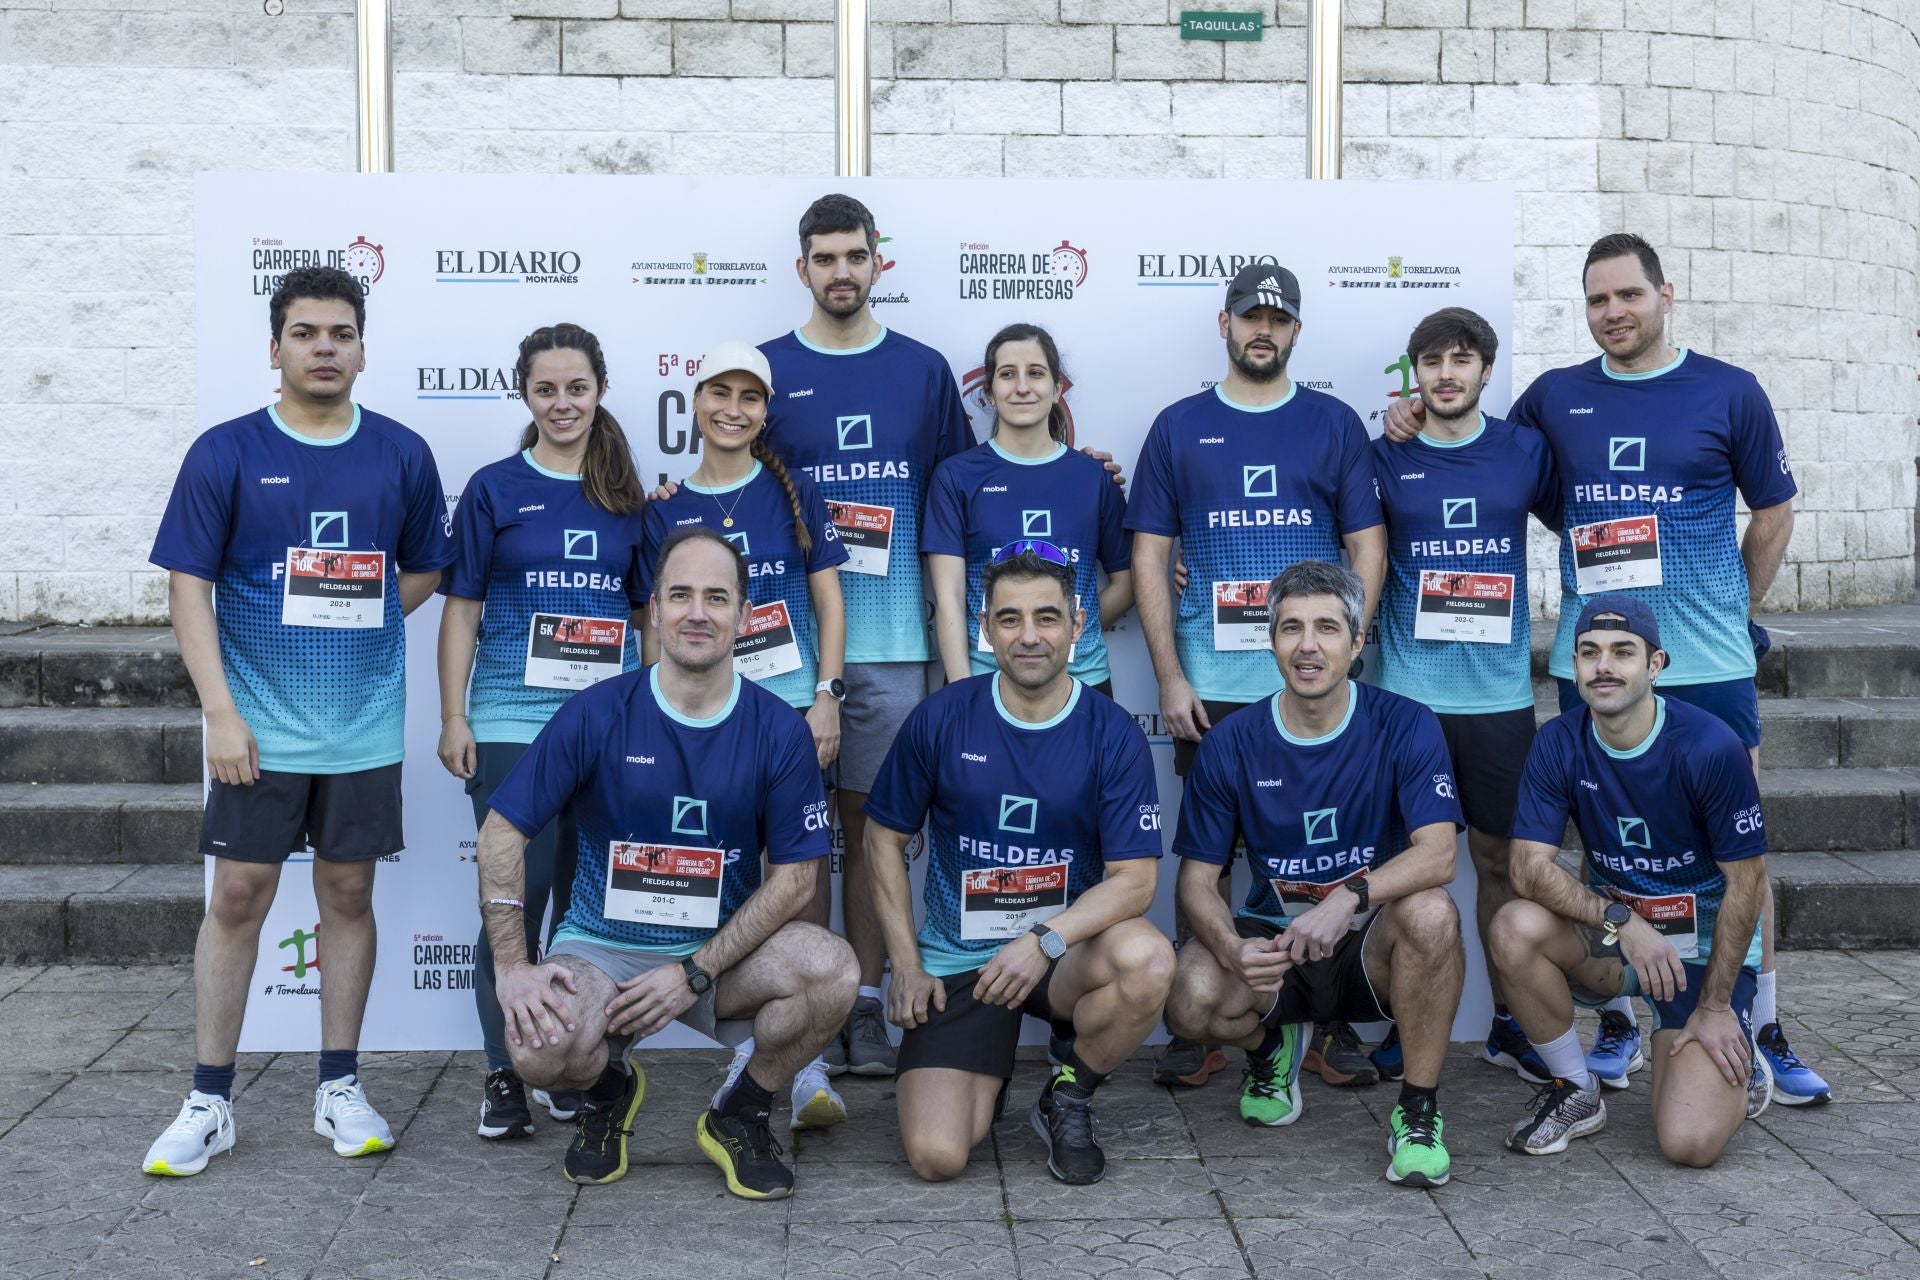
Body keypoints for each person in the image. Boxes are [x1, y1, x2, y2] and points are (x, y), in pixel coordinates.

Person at [1382, 234, 1825, 1104]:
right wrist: (1405, 419)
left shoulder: (1729, 390)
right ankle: (1619, 1017)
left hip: (1706, 664)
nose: (1613, 313)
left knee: (1741, 849)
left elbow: (1773, 511)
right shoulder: (1556, 400)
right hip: (1600, 662)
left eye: (1628, 295)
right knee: (1606, 842)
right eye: (1596, 300)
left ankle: (1761, 1020)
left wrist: (1731, 613)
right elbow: (1494, 466)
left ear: (1666, 293)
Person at [142, 266, 453, 1176]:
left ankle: (338, 1086)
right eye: (308, 332)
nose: (326, 347)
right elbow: (187, 587)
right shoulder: (225, 451)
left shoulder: (401, 451)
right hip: (257, 728)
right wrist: (220, 714)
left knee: (348, 897)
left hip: (360, 723)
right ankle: (208, 1099)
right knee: (238, 897)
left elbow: (429, 566)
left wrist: (359, 610)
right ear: (274, 347)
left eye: (341, 332)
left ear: (362, 346)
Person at [475, 528, 857, 1200]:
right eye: (680, 595)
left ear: (744, 616)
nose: (697, 612)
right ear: (654, 610)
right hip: (601, 951)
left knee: (834, 972)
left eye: (717, 597)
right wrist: (511, 968)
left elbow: (797, 876)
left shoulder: (778, 730)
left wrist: (695, 971)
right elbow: (502, 833)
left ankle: (741, 1110)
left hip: (719, 957)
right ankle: (607, 1090)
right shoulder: (597, 712)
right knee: (535, 1049)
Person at [1127, 262, 1386, 1089]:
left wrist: (1345, 646)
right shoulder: (1178, 427)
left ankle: (1331, 1019)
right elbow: (1149, 555)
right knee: (1212, 856)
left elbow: (1367, 548)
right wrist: (1169, 676)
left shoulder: (1334, 423)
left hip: (1313, 685)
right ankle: (1209, 1020)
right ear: (1225, 324)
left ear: (1296, 332)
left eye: (1277, 318)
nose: (1262, 329)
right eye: (1249, 317)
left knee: (1328, 848)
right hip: (1213, 685)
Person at [863, 545, 1171, 1185]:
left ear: (1077, 624)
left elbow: (1137, 883)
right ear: (984, 627)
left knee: (1147, 960)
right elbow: (881, 839)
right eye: (1009, 619)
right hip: (961, 962)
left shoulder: (1111, 732)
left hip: (1057, 957)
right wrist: (908, 965)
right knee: (938, 1157)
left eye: (1046, 617)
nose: (1028, 636)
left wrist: (1043, 939)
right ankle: (986, 1067)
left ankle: (1069, 1094)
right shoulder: (943, 717)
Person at [751, 192, 973, 1077]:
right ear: (800, 267)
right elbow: (733, 479)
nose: (841, 271)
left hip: (892, 647)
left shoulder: (922, 370)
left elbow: (960, 500)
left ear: (879, 261)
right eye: (824, 257)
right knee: (799, 837)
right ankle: (812, 1002)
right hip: (784, 652)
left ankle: (870, 1005)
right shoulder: (765, 371)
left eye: (855, 255)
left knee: (872, 825)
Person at [1162, 560, 1465, 1189]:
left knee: (1434, 910)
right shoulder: (1232, 741)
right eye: (1290, 628)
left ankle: (1417, 1109)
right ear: (1270, 641)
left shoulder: (1406, 722)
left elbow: (1438, 855)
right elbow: (1197, 881)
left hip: (1364, 941)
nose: (1307, 645)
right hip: (1277, 945)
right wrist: (1231, 947)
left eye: (1327, 628)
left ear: (1357, 643)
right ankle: (1271, 1050)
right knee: (1187, 998)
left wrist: (1347, 898)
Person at [437, 322, 650, 1141]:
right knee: (513, 903)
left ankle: (562, 1060)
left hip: (604, 730)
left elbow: (646, 624)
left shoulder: (629, 499)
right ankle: (502, 1073)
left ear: (600, 389)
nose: (563, 403)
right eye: (546, 389)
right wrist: (456, 715)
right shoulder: (494, 487)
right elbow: (461, 612)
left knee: (584, 911)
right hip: (509, 725)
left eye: (577, 388)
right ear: (524, 394)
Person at [641, 341, 850, 1128]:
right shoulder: (663, 508)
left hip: (791, 709)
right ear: (693, 403)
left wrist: (827, 697)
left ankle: (807, 1050)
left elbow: (830, 606)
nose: (733, 409)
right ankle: (746, 1037)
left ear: (766, 412)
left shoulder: (796, 495)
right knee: (726, 866)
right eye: (718, 394)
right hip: (700, 716)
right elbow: (649, 625)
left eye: (749, 398)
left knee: (800, 867)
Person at [1492, 596, 1771, 1166]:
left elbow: (1748, 885)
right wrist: (1622, 919)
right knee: (1513, 925)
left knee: (1688, 1144)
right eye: (1590, 653)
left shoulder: (1710, 745)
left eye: (1623, 652)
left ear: (1656, 665)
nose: (1604, 667)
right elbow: (1527, 868)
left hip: (1700, 950)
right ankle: (1576, 1088)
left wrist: (1715, 1005)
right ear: (1573, 666)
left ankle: (1734, 1042)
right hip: (1620, 941)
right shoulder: (1559, 741)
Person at [1368, 308, 1561, 1088]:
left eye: (1462, 360)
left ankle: (1510, 1023)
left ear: (1485, 369)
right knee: (1407, 863)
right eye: (1432, 361)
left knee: (1499, 861)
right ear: (1413, 373)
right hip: (1407, 697)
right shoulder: (1384, 454)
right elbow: (1342, 542)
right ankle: (1395, 1020)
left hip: (1498, 697)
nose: (1446, 374)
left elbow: (1588, 520)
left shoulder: (1525, 450)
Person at [924, 323, 1132, 695]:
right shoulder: (956, 477)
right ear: (989, 391)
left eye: (1035, 373)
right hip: (983, 680)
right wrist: (960, 692)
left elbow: (1126, 584)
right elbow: (949, 598)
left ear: (1057, 389)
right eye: (1007, 375)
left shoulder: (1093, 478)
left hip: (1081, 679)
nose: (1022, 387)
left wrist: (1060, 629)